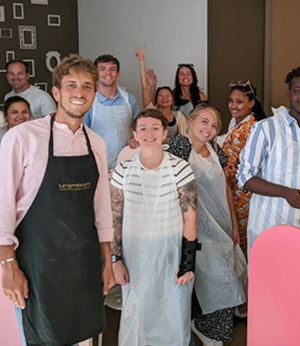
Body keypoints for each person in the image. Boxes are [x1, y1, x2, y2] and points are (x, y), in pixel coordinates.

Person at [0, 54, 115, 345]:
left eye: (88, 86)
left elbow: (101, 208)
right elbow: (3, 205)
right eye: (71, 85)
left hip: (84, 262)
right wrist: (7, 265)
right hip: (37, 264)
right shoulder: (23, 138)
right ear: (56, 92)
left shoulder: (96, 143)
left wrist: (107, 260)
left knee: (84, 337)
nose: (80, 93)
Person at [110, 109, 198, 346]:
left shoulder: (181, 168)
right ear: (135, 134)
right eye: (143, 129)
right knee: (137, 315)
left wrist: (187, 263)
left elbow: (190, 217)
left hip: (171, 254)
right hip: (133, 256)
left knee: (173, 314)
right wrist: (115, 259)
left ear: (164, 132)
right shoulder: (123, 170)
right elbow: (116, 216)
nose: (149, 134)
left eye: (155, 128)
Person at [167, 104, 246, 346]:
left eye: (214, 126)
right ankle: (209, 331)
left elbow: (226, 189)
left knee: (229, 275)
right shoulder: (179, 146)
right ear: (190, 122)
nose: (208, 128)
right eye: (204, 122)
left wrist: (234, 224)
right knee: (223, 280)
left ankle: (206, 326)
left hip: (220, 225)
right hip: (195, 228)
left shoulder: (215, 150)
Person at [237, 66, 300, 254]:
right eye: (297, 91)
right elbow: (245, 177)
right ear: (288, 93)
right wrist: (285, 193)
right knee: (266, 281)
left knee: (298, 279)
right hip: (268, 224)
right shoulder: (266, 129)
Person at [220, 79, 266, 258]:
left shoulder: (248, 129)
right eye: (231, 101)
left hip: (243, 195)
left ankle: (248, 283)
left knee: (242, 241)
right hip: (234, 191)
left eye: (239, 102)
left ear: (251, 103)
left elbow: (235, 166)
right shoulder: (235, 123)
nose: (233, 105)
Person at [84, 54, 140, 170]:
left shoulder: (129, 99)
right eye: (103, 69)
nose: (108, 73)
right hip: (97, 163)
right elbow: (81, 134)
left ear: (118, 73)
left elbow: (141, 126)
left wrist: (137, 139)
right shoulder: (89, 101)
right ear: (96, 73)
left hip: (127, 162)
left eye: (112, 69)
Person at [135, 46, 188, 140]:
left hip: (173, 152)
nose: (164, 98)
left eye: (168, 96)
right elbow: (144, 87)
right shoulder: (151, 112)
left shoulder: (179, 116)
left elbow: (185, 138)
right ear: (156, 100)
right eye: (161, 96)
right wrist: (142, 64)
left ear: (172, 100)